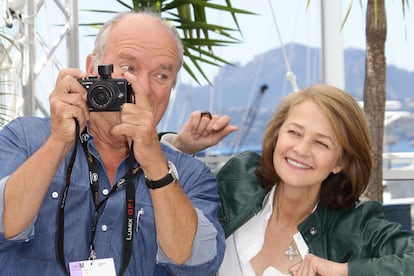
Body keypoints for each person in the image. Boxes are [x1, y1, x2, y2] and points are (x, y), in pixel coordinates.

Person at [0, 10, 234, 276]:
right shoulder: (26, 138)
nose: (142, 88)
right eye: (128, 68)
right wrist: (57, 143)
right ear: (92, 70)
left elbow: (196, 263)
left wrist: (155, 163)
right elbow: (3, 226)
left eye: (161, 76)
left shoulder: (189, 175)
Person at [217, 84, 414, 276]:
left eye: (321, 143)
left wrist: (342, 272)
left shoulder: (356, 225)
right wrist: (186, 147)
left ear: (341, 162)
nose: (301, 149)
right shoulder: (238, 180)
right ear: (278, 135)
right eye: (294, 132)